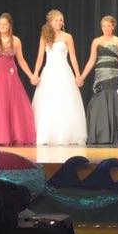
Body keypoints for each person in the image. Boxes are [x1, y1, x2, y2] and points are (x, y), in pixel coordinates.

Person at [0, 13, 37, 145]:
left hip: (10, 78)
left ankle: (10, 135)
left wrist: (31, 75)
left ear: (9, 26)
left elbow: (21, 61)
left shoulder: (16, 41)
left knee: (11, 106)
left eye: (5, 24)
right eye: (0, 24)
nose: (2, 26)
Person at [31, 10, 87, 145]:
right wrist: (35, 74)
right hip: (49, 73)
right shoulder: (45, 37)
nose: (59, 22)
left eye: (61, 20)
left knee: (65, 102)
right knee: (48, 103)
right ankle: (47, 135)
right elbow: (40, 58)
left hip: (64, 73)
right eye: (56, 20)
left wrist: (78, 75)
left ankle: (64, 135)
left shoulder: (67, 37)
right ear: (50, 22)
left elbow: (73, 58)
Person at [79, 15, 118, 143]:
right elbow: (91, 61)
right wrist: (82, 76)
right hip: (100, 76)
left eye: (109, 26)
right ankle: (101, 136)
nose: (106, 28)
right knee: (100, 103)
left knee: (117, 103)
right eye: (104, 26)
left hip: (115, 76)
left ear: (113, 27)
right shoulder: (96, 41)